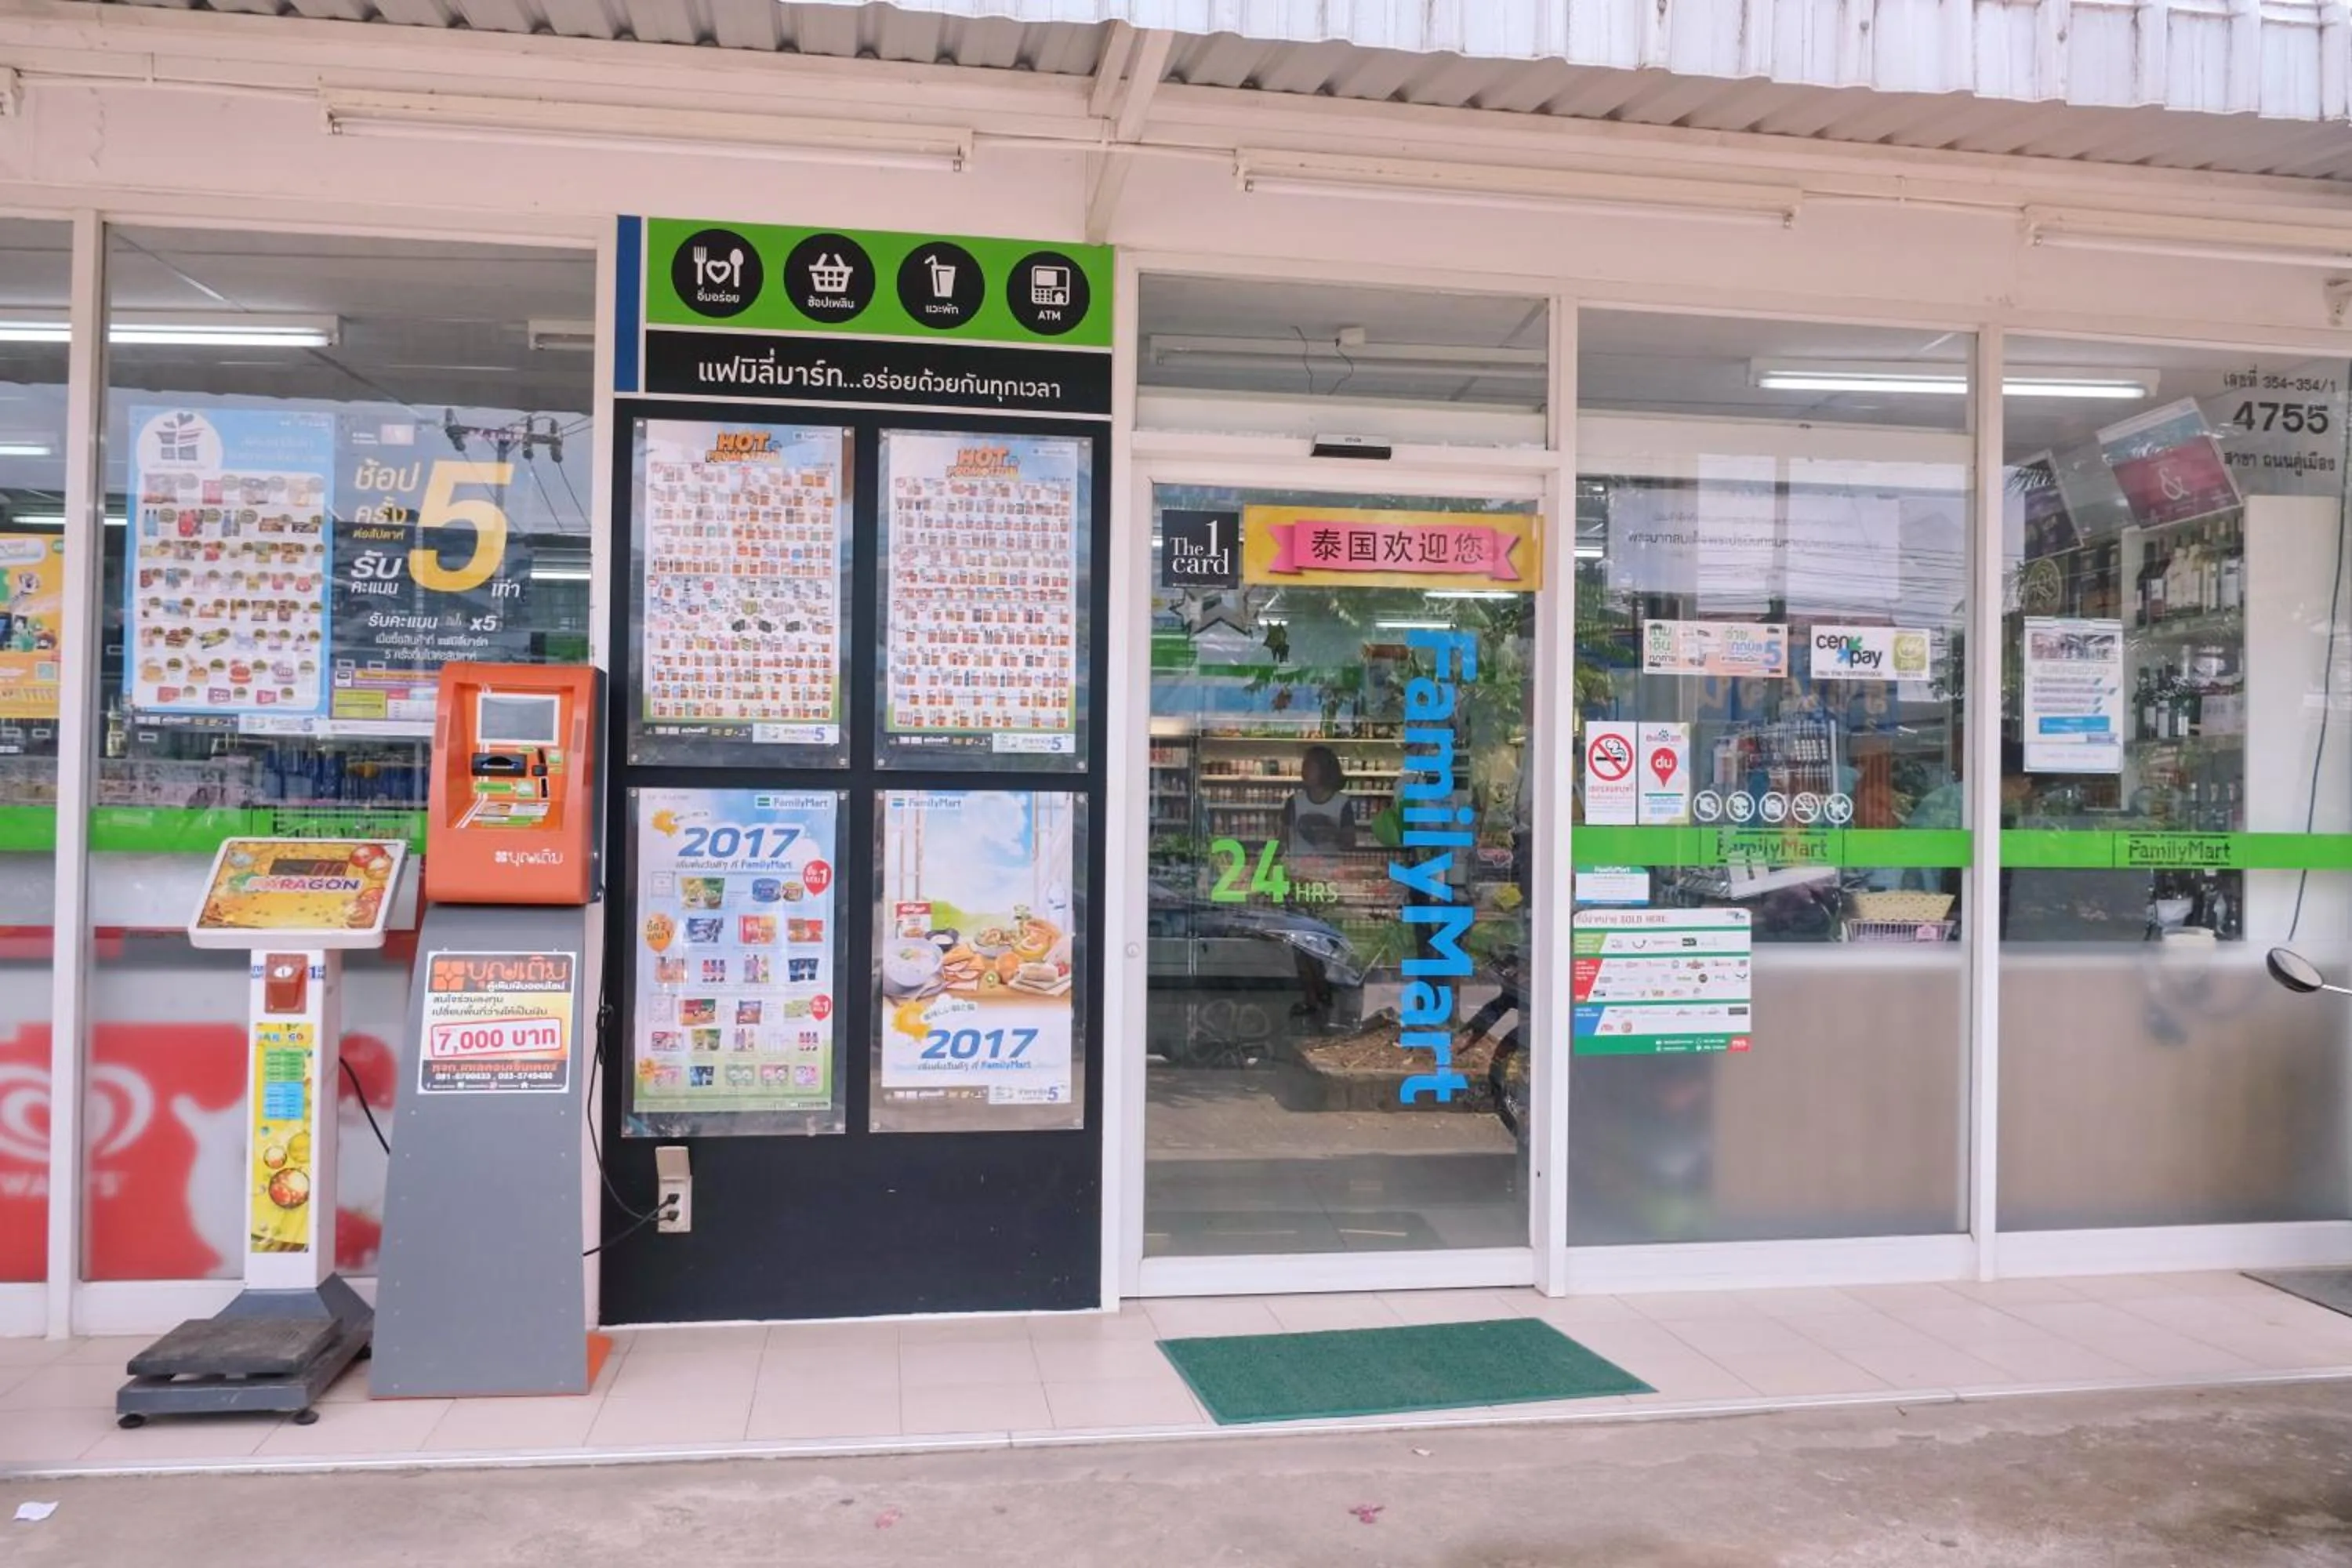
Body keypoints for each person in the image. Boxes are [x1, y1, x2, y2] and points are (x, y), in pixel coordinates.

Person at [1283, 746, 1353, 1025]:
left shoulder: (1342, 803)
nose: (1304, 770)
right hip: (1298, 878)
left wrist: (1328, 832)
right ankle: (1312, 996)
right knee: (1299, 943)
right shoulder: (1294, 802)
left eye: (1309, 765)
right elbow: (1282, 838)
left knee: (1323, 941)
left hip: (1327, 880)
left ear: (1325, 769)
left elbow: (1350, 842)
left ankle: (1323, 990)